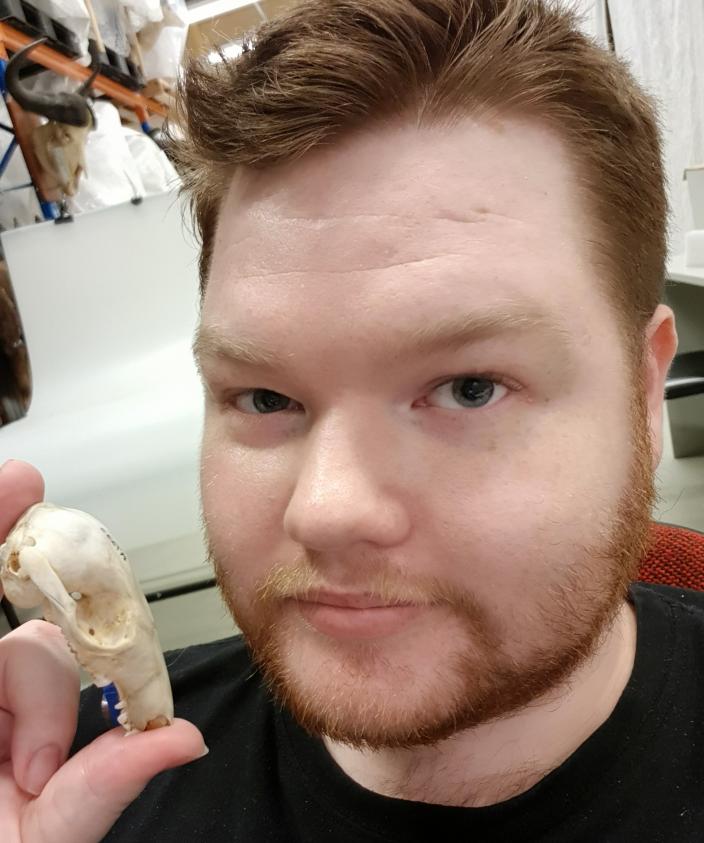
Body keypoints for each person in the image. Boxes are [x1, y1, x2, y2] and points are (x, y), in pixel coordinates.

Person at [2, 0, 703, 839]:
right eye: (265, 398)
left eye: (470, 387)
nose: (326, 510)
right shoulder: (77, 794)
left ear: (643, 388)